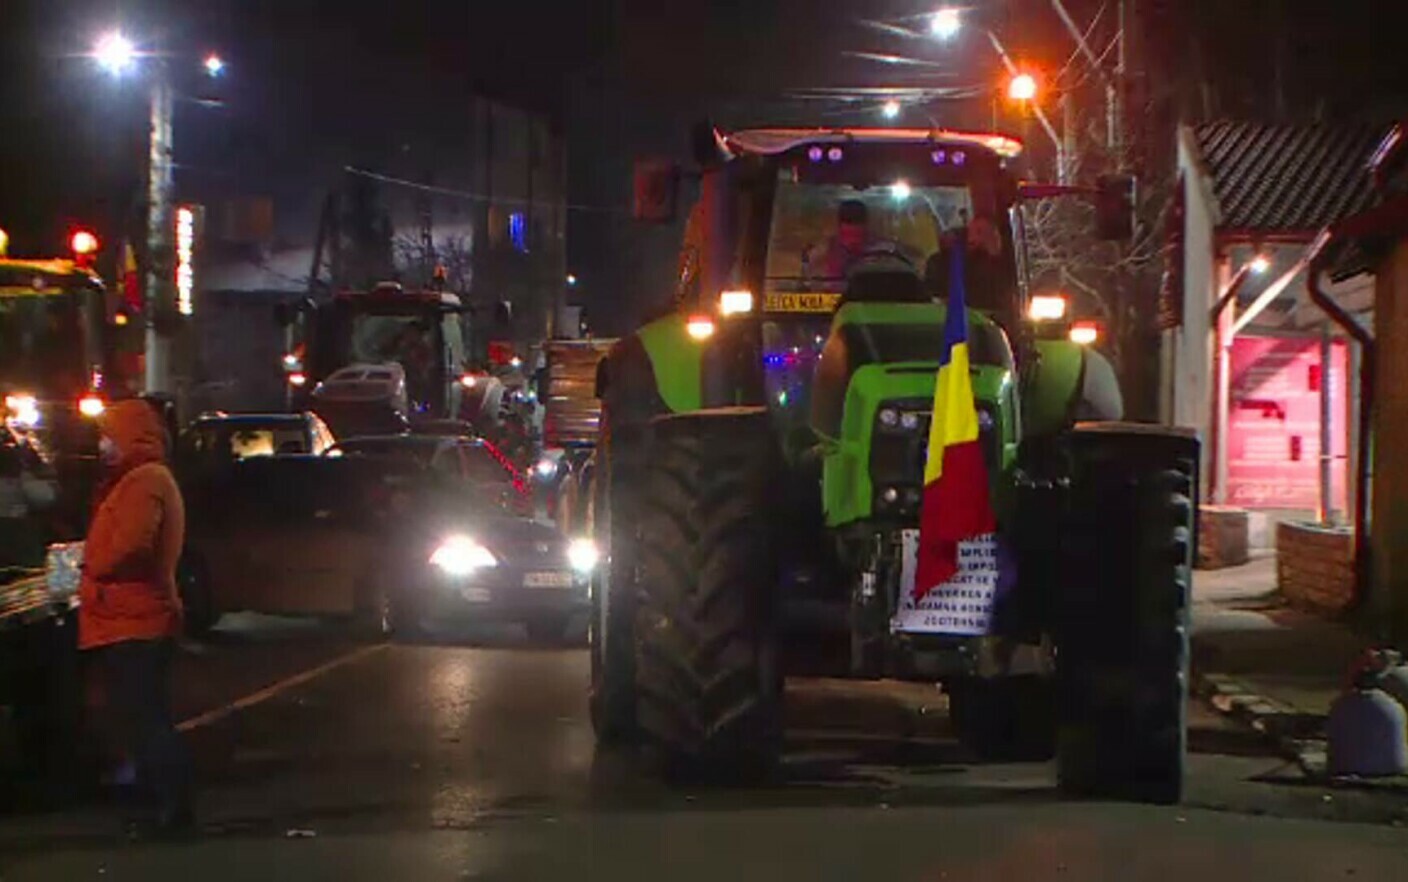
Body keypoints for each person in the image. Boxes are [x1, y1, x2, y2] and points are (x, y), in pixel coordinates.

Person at [78, 399, 193, 836]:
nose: (103, 443)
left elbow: (131, 545)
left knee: (146, 718)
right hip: (128, 617)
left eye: (109, 433)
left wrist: (92, 563)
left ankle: (171, 810)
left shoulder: (145, 482)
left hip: (137, 617)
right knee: (140, 716)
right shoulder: (133, 479)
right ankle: (159, 806)